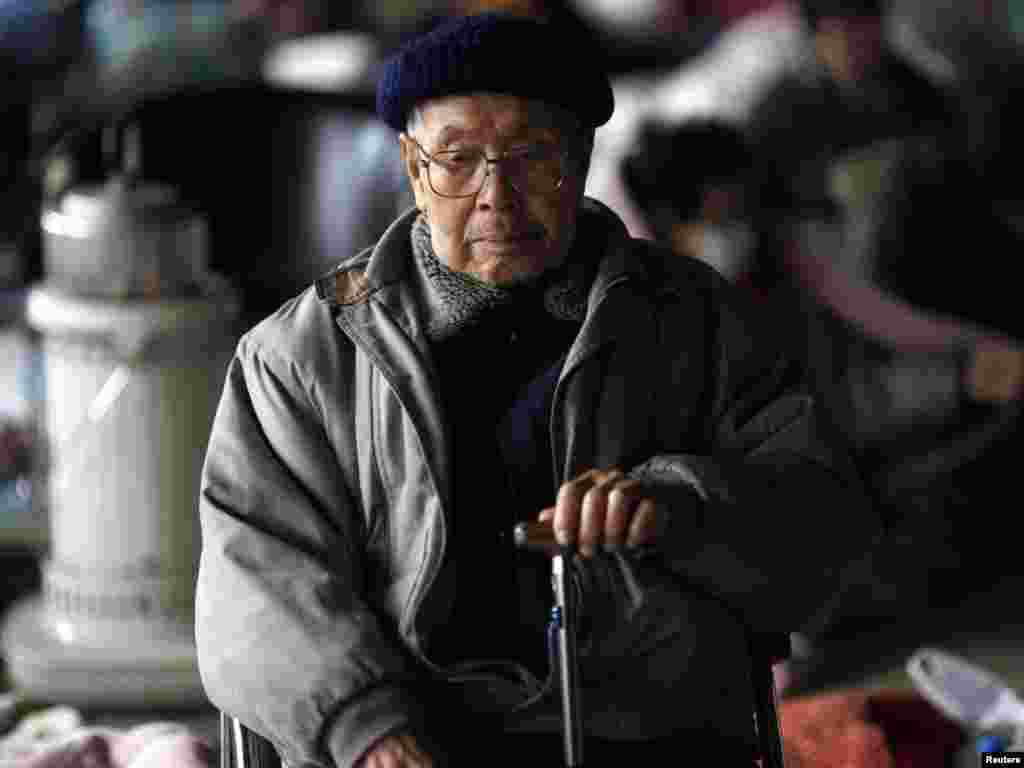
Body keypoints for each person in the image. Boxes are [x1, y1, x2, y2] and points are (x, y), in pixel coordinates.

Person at [194, 12, 877, 767]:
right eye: (457, 160)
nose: (496, 196)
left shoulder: (697, 321)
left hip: (645, 734)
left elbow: (824, 530)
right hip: (405, 738)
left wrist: (683, 508)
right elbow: (255, 582)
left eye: (531, 158)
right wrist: (366, 728)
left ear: (582, 157)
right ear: (413, 168)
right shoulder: (300, 357)